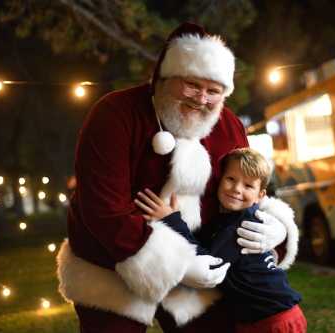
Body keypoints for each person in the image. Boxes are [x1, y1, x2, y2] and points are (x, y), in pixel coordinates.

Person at [56, 22, 299, 333]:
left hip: (202, 266)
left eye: (213, 91)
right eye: (192, 85)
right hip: (112, 266)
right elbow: (103, 209)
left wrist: (275, 226)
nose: (201, 99)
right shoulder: (114, 113)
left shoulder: (229, 125)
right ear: (164, 77)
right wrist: (178, 264)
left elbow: (249, 181)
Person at [135, 148, 306, 333]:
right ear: (219, 180)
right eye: (231, 179)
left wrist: (172, 220)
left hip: (274, 320)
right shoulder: (225, 221)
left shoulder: (242, 227)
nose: (237, 189)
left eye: (248, 186)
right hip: (259, 318)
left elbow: (208, 264)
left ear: (260, 195)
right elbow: (202, 242)